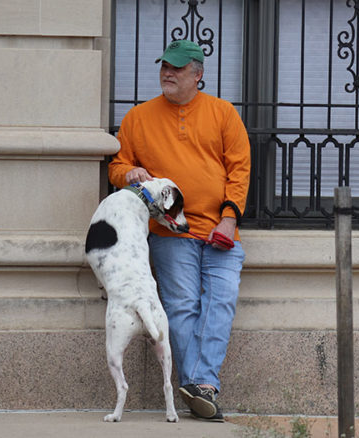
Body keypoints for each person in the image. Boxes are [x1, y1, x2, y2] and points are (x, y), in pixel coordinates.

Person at [108, 40, 250, 422]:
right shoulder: (138, 118)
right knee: (183, 307)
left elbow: (239, 168)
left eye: (177, 68)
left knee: (221, 303)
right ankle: (202, 388)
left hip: (221, 230)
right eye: (164, 67)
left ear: (198, 74)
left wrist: (229, 217)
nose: (167, 73)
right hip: (171, 232)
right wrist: (129, 174)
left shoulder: (223, 113)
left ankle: (197, 386)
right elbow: (118, 166)